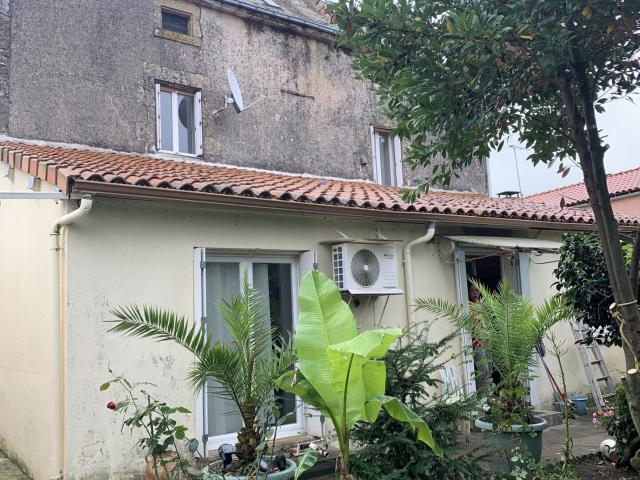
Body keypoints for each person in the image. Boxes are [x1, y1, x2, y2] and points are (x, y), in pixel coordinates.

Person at [468, 282, 491, 392]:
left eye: (477, 290)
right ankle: (481, 396)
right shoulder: (467, 305)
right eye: (472, 290)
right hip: (476, 343)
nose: (475, 292)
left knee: (489, 370)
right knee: (483, 370)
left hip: (487, 342)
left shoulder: (482, 305)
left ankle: (486, 394)